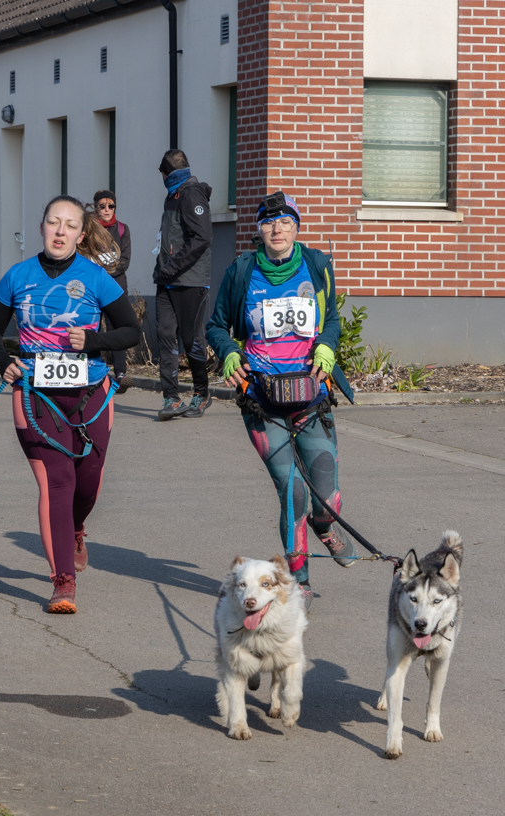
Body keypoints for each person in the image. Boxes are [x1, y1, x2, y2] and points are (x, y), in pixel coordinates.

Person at [0, 196, 141, 614]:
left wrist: (94, 341)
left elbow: (131, 331)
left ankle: (76, 529)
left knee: (87, 481)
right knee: (57, 482)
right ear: (42, 227)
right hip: (35, 392)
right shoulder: (18, 276)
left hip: (90, 392)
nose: (60, 231)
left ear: (80, 235)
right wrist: (4, 362)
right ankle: (62, 581)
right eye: (53, 222)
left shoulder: (96, 277)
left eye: (69, 225)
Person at [205, 191, 358, 611]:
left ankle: (325, 527)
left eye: (286, 221)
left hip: (312, 396)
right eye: (269, 222)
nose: (277, 229)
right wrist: (230, 352)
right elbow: (216, 326)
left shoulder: (316, 266)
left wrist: (327, 346)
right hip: (261, 400)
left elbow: (331, 319)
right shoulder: (242, 272)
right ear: (259, 228)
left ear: (296, 227)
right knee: (292, 492)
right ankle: (300, 581)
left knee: (326, 492)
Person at [153, 149, 214, 421]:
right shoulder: (173, 196)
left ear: (169, 173)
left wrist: (171, 267)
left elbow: (201, 238)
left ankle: (201, 393)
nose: (162, 178)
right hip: (167, 281)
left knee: (191, 340)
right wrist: (161, 269)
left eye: (162, 173)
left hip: (190, 281)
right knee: (166, 337)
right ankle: (171, 398)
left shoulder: (192, 194)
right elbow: (169, 239)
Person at [93, 190, 133, 392]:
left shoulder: (123, 229)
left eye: (111, 206)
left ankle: (120, 373)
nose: (107, 210)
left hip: (116, 288)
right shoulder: (89, 230)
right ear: (96, 208)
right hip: (93, 288)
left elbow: (124, 260)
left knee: (117, 330)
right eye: (102, 206)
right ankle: (95, 370)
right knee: (93, 329)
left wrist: (106, 275)